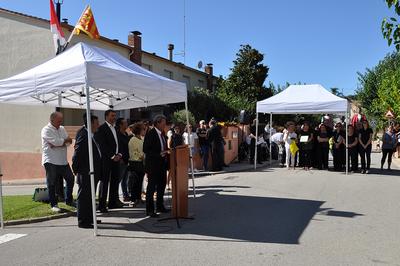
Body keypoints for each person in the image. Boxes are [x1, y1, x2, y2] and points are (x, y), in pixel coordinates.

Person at [72, 114, 102, 229]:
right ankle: (83, 221)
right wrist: (76, 170)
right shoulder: (83, 135)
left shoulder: (91, 134)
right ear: (90, 124)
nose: (98, 125)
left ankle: (90, 218)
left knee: (90, 197)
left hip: (92, 172)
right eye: (96, 123)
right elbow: (77, 154)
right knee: (84, 197)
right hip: (85, 172)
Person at [41, 112, 74, 212]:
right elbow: (57, 142)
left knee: (70, 178)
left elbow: (69, 142)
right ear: (52, 120)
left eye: (61, 120)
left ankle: (69, 200)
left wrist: (59, 143)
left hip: (63, 161)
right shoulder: (46, 130)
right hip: (51, 160)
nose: (61, 122)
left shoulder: (62, 128)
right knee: (51, 183)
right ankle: (54, 204)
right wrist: (61, 142)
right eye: (59, 121)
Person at [94, 109, 122, 213]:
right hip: (106, 160)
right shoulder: (101, 128)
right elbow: (102, 145)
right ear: (106, 117)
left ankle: (112, 202)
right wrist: (112, 156)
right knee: (104, 182)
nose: (114, 118)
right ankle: (102, 205)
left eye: (115, 116)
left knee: (115, 181)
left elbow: (119, 143)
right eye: (112, 116)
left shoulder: (116, 128)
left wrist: (119, 154)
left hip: (117, 159)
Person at [143, 115, 169, 217]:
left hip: (162, 165)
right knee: (151, 188)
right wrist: (159, 154)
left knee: (162, 186)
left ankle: (160, 206)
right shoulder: (151, 133)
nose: (165, 125)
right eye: (163, 123)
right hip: (153, 166)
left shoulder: (162, 134)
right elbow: (146, 149)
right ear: (158, 123)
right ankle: (150, 210)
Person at [128, 122, 146, 206]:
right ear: (139, 130)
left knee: (139, 182)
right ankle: (133, 199)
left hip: (141, 163)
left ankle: (138, 198)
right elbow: (133, 153)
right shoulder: (133, 139)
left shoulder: (141, 139)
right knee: (135, 182)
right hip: (135, 163)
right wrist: (142, 156)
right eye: (143, 129)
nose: (144, 130)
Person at [116, 118, 131, 202]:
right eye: (125, 123)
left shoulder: (125, 133)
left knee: (125, 179)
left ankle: (125, 195)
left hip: (126, 160)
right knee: (118, 179)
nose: (127, 124)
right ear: (120, 125)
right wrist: (120, 158)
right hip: (121, 160)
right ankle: (115, 197)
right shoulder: (117, 134)